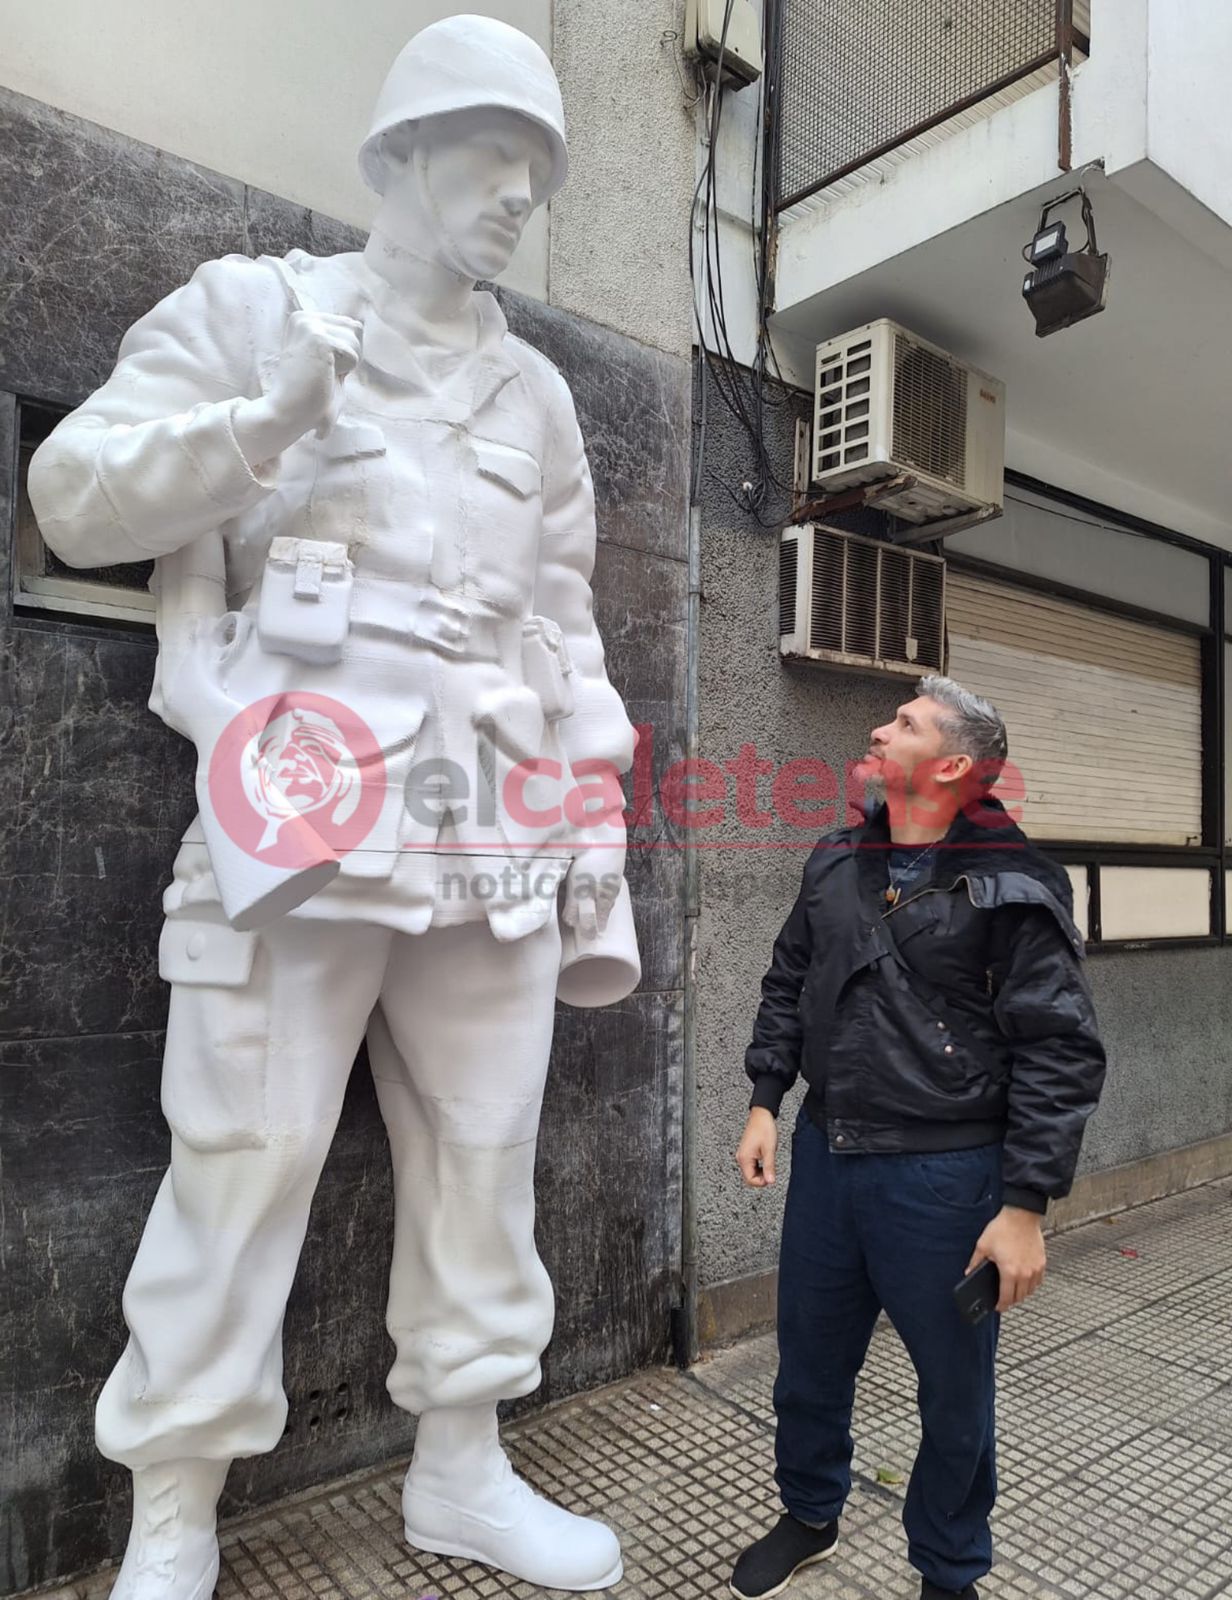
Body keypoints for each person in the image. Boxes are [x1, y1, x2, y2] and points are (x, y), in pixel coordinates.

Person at [28, 16, 637, 1599]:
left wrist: (593, 814)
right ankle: (175, 1504)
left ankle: (462, 1469)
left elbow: (564, 623)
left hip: (491, 821)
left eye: (539, 172)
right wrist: (266, 419)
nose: (517, 196)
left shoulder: (542, 399)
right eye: (490, 156)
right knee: (247, 1149)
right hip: (286, 818)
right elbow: (72, 499)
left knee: (488, 1148)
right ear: (400, 156)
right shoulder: (253, 310)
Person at [729, 675, 1106, 1600]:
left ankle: (948, 1569)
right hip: (828, 1153)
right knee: (809, 1360)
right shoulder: (836, 856)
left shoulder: (1016, 885)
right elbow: (790, 978)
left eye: (903, 723)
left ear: (951, 766)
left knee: (954, 1394)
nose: (877, 728)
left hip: (946, 1176)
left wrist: (1024, 1207)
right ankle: (811, 1512)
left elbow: (1060, 1052)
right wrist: (766, 1097)